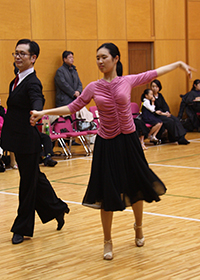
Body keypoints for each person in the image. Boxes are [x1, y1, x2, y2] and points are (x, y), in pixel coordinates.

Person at [30, 43, 194, 260]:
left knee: (136, 186)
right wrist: (44, 112)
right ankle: (107, 241)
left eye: (103, 57)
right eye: (97, 57)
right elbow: (72, 107)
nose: (99, 61)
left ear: (115, 59)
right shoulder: (93, 87)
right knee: (106, 192)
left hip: (129, 142)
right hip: (106, 144)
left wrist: (180, 64)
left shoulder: (128, 81)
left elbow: (155, 72)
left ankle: (138, 227)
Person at [1, 39, 70, 245]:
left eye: (22, 54)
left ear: (33, 58)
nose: (18, 57)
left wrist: (38, 112)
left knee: (28, 184)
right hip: (17, 138)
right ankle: (58, 208)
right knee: (34, 179)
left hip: (27, 142)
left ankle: (22, 228)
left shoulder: (33, 82)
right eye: (16, 53)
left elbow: (37, 99)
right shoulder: (16, 80)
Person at [55, 50, 83, 145]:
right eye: (70, 57)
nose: (72, 59)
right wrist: (73, 93)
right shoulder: (60, 71)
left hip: (73, 99)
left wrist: (78, 91)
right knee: (65, 120)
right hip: (64, 100)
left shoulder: (74, 70)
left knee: (73, 119)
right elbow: (63, 84)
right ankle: (63, 140)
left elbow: (79, 83)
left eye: (73, 57)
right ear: (64, 59)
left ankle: (72, 139)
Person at [151, 79, 190, 144]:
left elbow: (165, 105)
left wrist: (167, 112)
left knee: (175, 119)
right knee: (170, 121)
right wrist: (164, 114)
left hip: (164, 114)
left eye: (156, 86)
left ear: (159, 87)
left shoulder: (160, 95)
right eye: (153, 86)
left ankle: (181, 136)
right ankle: (177, 138)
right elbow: (154, 110)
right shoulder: (150, 96)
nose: (154, 88)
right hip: (157, 115)